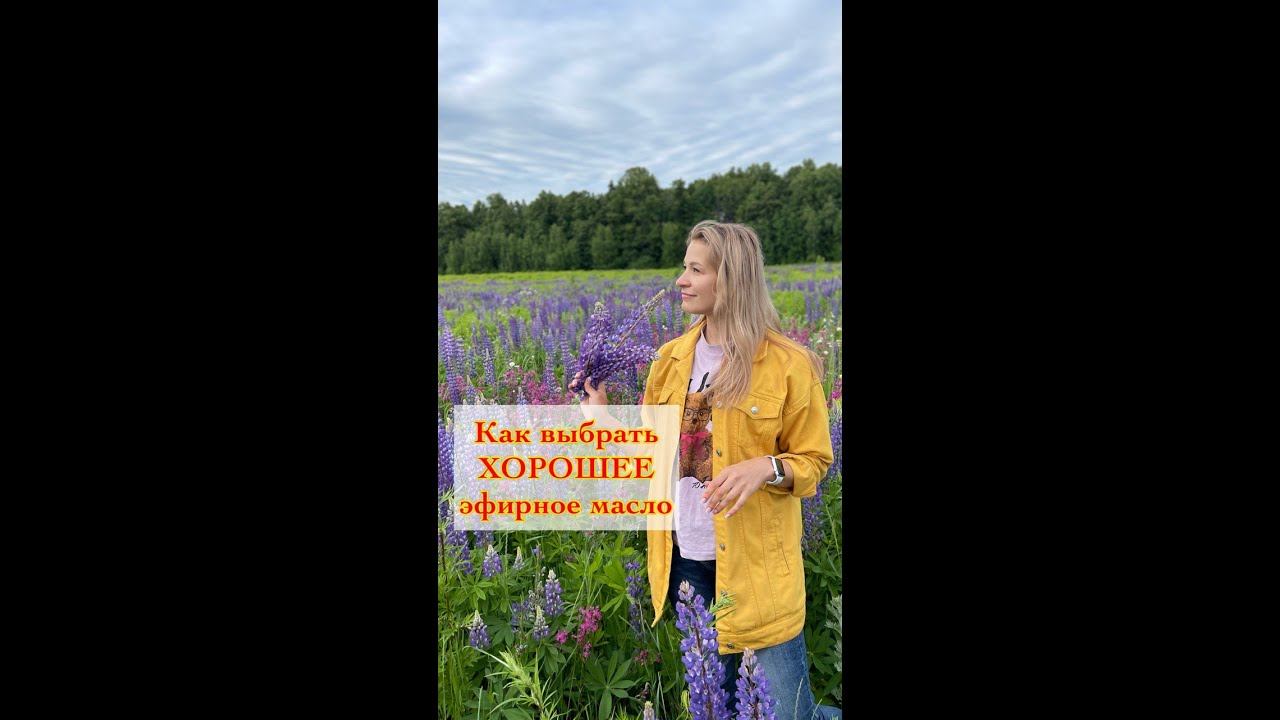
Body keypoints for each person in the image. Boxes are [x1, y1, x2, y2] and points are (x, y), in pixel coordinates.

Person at [574, 221, 840, 719]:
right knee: (720, 705)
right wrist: (602, 419)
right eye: (684, 268)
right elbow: (653, 459)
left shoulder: (788, 364)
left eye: (695, 270)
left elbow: (815, 462)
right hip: (687, 560)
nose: (681, 280)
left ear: (731, 279)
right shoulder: (669, 360)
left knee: (789, 713)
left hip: (758, 570)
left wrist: (766, 467)